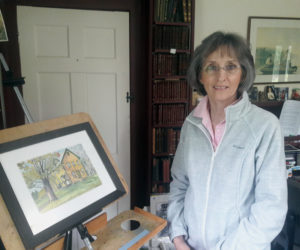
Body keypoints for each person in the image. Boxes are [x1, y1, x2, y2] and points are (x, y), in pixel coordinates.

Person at [167, 31, 287, 250]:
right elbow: (180, 186)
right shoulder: (191, 124)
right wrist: (178, 237)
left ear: (242, 73)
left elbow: (271, 208)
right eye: (211, 67)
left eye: (231, 66)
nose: (221, 76)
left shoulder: (265, 126)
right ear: (200, 75)